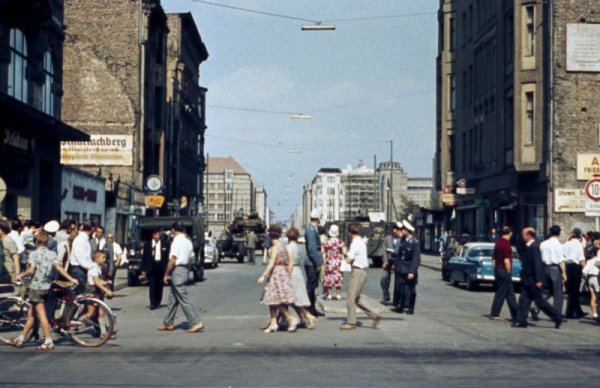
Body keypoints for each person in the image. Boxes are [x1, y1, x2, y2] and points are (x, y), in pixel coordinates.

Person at [9, 231, 78, 350]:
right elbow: (59, 268)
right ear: (47, 242)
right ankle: (20, 338)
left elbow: (31, 271)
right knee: (32, 314)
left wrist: (20, 275)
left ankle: (48, 340)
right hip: (47, 286)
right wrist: (71, 278)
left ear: (36, 241)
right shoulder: (52, 254)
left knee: (41, 315)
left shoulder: (33, 254)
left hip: (36, 286)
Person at [158, 222, 204, 333]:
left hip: (177, 269)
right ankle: (168, 322)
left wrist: (166, 274)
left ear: (173, 230)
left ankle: (195, 322)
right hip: (184, 269)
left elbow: (173, 259)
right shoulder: (188, 241)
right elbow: (191, 259)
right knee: (173, 297)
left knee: (183, 298)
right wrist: (187, 271)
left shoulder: (176, 241)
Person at [512, 228, 562, 329]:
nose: (522, 237)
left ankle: (557, 317)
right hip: (527, 278)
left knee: (540, 301)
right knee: (523, 300)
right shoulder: (528, 246)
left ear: (528, 235)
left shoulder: (534, 246)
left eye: (523, 235)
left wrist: (539, 279)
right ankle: (521, 321)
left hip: (533, 279)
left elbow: (537, 263)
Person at [257, 225, 298, 333]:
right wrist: (287, 273)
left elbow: (271, 263)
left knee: (273, 298)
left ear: (270, 235)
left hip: (276, 272)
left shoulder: (274, 248)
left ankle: (290, 318)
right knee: (273, 298)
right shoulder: (285, 247)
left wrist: (263, 275)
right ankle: (273, 323)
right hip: (283, 272)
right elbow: (291, 261)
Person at [340, 224, 381, 330]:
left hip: (357, 272)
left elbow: (349, 259)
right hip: (362, 272)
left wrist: (344, 254)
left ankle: (351, 323)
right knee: (357, 299)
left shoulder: (355, 243)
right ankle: (374, 316)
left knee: (350, 299)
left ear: (349, 233)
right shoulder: (362, 241)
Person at [79, 250, 114, 340]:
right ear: (96, 258)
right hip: (92, 291)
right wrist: (107, 290)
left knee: (101, 313)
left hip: (98, 292)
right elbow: (96, 282)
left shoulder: (99, 267)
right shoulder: (94, 268)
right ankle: (74, 324)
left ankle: (103, 332)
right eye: (103, 257)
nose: (105, 259)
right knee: (91, 313)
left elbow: (98, 280)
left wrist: (105, 282)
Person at [286, 228, 316, 329]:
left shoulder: (289, 247)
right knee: (296, 297)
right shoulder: (298, 247)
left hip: (292, 271)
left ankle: (307, 315)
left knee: (290, 298)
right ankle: (302, 318)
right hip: (298, 270)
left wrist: (287, 275)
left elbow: (290, 262)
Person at [489, 227, 518, 321]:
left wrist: (495, 270)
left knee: (510, 293)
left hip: (498, 269)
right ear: (510, 233)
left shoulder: (498, 242)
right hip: (504, 270)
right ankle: (494, 313)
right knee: (501, 293)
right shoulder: (506, 243)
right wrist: (508, 271)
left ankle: (516, 315)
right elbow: (506, 260)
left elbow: (493, 259)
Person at [394, 220, 421, 315]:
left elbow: (416, 259)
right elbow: (399, 255)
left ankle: (411, 307)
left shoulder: (415, 242)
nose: (401, 231)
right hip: (401, 268)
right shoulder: (402, 240)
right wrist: (396, 265)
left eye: (402, 230)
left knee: (411, 289)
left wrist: (412, 272)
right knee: (400, 288)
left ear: (407, 230)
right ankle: (400, 306)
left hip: (409, 269)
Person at [540, 225, 567, 316]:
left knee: (546, 290)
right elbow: (560, 260)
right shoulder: (558, 245)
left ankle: (535, 306)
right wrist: (564, 273)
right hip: (555, 269)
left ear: (550, 233)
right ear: (559, 233)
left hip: (544, 268)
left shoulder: (543, 243)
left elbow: (540, 257)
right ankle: (556, 314)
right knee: (558, 293)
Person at [304, 209, 324, 317]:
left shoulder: (311, 228)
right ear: (318, 219)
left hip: (311, 261)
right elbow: (312, 249)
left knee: (313, 285)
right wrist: (318, 263)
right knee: (311, 286)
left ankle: (311, 309)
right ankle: (310, 310)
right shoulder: (311, 230)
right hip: (312, 262)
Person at [142, 230, 169, 309]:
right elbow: (144, 257)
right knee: (152, 285)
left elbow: (167, 256)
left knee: (159, 285)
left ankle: (158, 301)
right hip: (151, 267)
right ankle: (152, 303)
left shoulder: (165, 244)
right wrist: (143, 268)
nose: (156, 236)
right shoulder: (147, 245)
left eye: (158, 234)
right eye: (155, 234)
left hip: (161, 266)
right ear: (152, 235)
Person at [563, 228, 586, 319]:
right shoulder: (579, 245)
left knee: (571, 290)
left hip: (567, 267)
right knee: (574, 291)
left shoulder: (566, 244)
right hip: (576, 267)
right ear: (579, 235)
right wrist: (584, 270)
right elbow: (581, 259)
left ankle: (578, 311)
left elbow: (562, 255)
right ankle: (569, 313)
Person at [322, 224, 346, 301]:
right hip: (338, 262)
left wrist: (324, 262)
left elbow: (323, 252)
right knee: (338, 277)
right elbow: (344, 252)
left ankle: (329, 295)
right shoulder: (340, 242)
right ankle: (338, 294)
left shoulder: (327, 242)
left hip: (329, 261)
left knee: (329, 278)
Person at [69, 223, 94, 294]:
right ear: (92, 230)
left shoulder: (85, 239)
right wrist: (91, 267)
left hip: (82, 269)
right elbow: (81, 259)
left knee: (85, 293)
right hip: (79, 269)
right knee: (83, 293)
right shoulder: (80, 240)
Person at [381, 223, 401, 305]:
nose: (394, 231)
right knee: (384, 278)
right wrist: (385, 261)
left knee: (398, 281)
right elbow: (384, 250)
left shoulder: (402, 239)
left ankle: (397, 299)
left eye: (396, 229)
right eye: (393, 230)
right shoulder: (387, 238)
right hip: (389, 261)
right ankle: (386, 296)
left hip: (398, 262)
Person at [582, 241, 600, 322]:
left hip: (590, 279)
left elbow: (584, 271)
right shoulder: (597, 260)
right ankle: (598, 314)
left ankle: (594, 314)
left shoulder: (589, 261)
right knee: (598, 297)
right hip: (597, 278)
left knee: (593, 297)